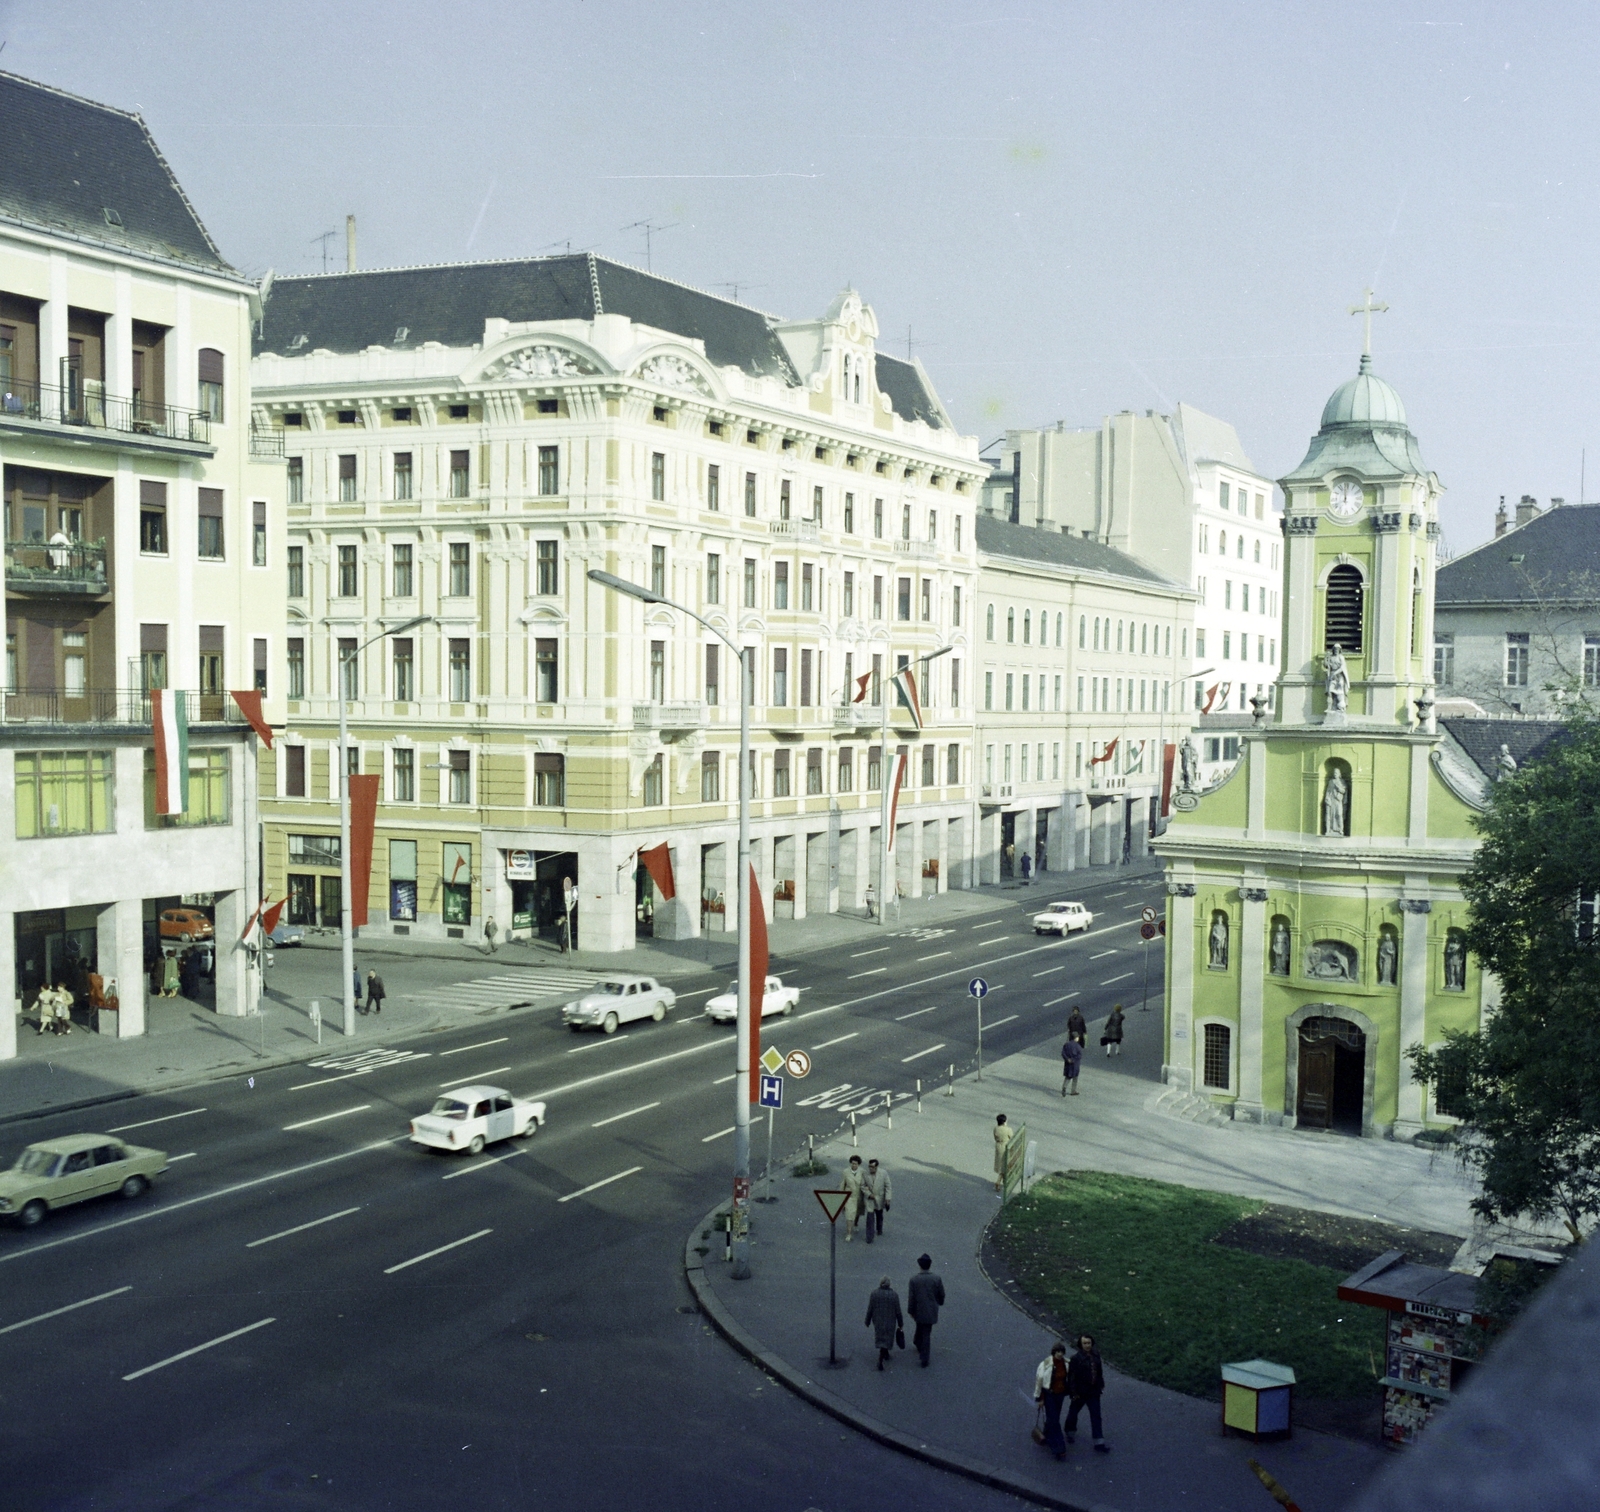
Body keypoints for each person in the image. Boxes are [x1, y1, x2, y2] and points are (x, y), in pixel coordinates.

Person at [1065, 1334, 1111, 1452]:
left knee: (1096, 1416)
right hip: (1080, 1392)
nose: (1087, 1345)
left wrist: (1100, 1384)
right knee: (1073, 1413)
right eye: (1085, 1343)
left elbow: (1099, 1372)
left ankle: (1099, 1443)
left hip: (1093, 1392)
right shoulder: (1076, 1359)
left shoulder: (1096, 1356)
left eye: (1089, 1343)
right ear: (1081, 1345)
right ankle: (1070, 1432)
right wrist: (1073, 1392)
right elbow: (1072, 1377)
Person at [1033, 1341, 1070, 1460]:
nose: (1060, 1354)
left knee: (1054, 1418)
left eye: (1062, 1352)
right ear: (1053, 1352)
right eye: (1057, 1352)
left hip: (1060, 1395)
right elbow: (1039, 1381)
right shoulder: (1045, 1364)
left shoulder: (1066, 1364)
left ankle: (1047, 1435)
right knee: (1054, 1421)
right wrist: (1039, 1398)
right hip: (1049, 1395)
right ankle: (1059, 1448)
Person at [907, 1254, 945, 1367]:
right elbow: (941, 1294)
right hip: (931, 1310)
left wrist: (911, 1310)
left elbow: (911, 1298)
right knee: (926, 1331)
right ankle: (924, 1354)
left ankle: (920, 1348)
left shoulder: (914, 1280)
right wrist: (939, 1302)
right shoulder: (936, 1279)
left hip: (918, 1310)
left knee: (921, 1326)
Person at [864, 1276, 904, 1372]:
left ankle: (885, 1354)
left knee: (881, 1337)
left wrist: (867, 1321)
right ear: (889, 1285)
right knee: (887, 1337)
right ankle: (880, 1359)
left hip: (878, 1320)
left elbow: (870, 1309)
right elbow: (898, 1311)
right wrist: (900, 1322)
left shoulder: (874, 1294)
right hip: (890, 1321)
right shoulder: (894, 1295)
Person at [862, 1158, 892, 1242]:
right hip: (870, 1199)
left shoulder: (883, 1173)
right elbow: (862, 1186)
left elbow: (888, 1186)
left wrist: (888, 1198)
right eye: (869, 1166)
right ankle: (869, 1237)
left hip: (879, 1198)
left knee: (879, 1215)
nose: (870, 1168)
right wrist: (868, 1193)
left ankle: (879, 1229)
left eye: (872, 1167)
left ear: (876, 1167)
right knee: (870, 1218)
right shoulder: (865, 1174)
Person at [841, 1154, 865, 1242]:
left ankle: (856, 1223)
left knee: (857, 1212)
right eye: (852, 1163)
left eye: (855, 1164)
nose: (853, 1165)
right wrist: (841, 1197)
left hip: (858, 1196)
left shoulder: (862, 1172)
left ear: (858, 1165)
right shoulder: (845, 1172)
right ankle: (849, 1233)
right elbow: (842, 1184)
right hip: (849, 1197)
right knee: (849, 1215)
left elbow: (865, 1183)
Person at [993, 1113, 1011, 1193]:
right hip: (1005, 1146)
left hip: (998, 1146)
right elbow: (1011, 1136)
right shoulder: (1007, 1129)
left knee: (1000, 1164)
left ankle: (1003, 1181)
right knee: (1004, 1165)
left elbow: (995, 1137)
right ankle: (999, 1181)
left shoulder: (996, 1129)